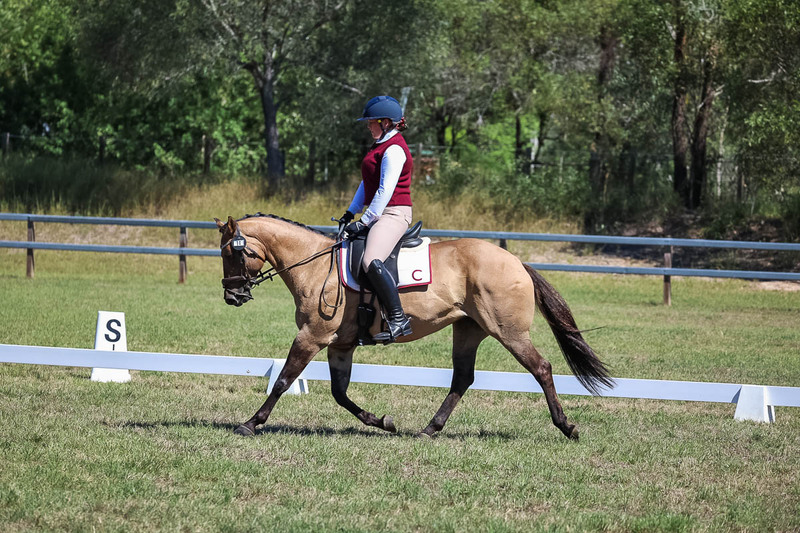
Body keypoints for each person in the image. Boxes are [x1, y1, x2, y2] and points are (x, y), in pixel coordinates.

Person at [338, 95, 414, 343]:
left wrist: (365, 220)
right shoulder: (379, 146)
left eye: (371, 122)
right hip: (381, 212)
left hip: (394, 212)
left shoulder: (394, 149)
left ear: (386, 122)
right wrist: (351, 211)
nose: (368, 126)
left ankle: (398, 318)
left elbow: (385, 190)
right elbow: (367, 184)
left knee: (371, 260)